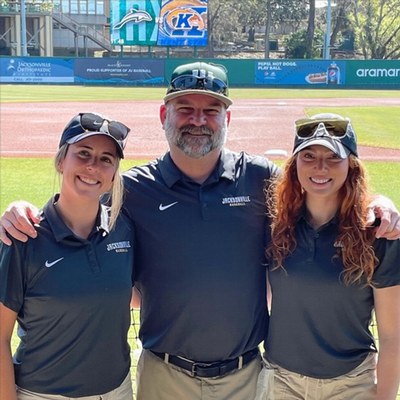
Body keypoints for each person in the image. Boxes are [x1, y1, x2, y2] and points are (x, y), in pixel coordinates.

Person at [1, 63, 400, 400]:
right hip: (164, 375)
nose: (198, 120)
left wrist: (377, 203)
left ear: (226, 119)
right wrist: (19, 213)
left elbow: (319, 188)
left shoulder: (262, 179)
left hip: (247, 376)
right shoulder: (133, 190)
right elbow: (75, 203)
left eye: (211, 110)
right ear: (164, 116)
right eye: (185, 109)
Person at [255, 114, 400, 400]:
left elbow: (392, 336)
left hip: (351, 385)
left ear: (352, 165)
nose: (320, 167)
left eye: (334, 157)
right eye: (308, 155)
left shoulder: (378, 233)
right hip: (281, 382)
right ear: (294, 164)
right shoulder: (272, 226)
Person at [0, 112, 135, 400]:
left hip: (117, 391)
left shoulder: (123, 229)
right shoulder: (23, 236)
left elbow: (133, 294)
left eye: (105, 159)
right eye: (83, 153)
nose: (92, 166)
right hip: (44, 394)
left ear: (113, 176)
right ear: (62, 161)